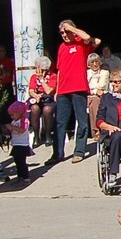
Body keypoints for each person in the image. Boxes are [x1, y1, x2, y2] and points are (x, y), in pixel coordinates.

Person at [51, 20, 100, 163]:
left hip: (78, 88)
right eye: (61, 33)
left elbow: (87, 37)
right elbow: (59, 70)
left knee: (82, 121)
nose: (64, 35)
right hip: (63, 90)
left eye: (66, 32)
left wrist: (71, 28)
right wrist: (57, 90)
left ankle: (79, 151)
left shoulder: (80, 43)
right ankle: (57, 153)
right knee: (60, 122)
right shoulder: (61, 47)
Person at [27, 54, 57, 147]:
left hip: (49, 99)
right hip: (37, 98)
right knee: (34, 109)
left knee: (47, 110)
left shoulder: (53, 76)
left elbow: (48, 91)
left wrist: (41, 79)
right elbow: (31, 90)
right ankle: (36, 136)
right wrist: (36, 96)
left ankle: (47, 135)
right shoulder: (33, 77)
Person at [85, 52, 108, 140]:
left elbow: (102, 85)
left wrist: (93, 89)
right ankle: (97, 130)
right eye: (92, 62)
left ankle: (102, 129)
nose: (95, 64)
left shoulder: (104, 72)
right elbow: (86, 87)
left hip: (103, 95)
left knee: (98, 100)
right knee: (95, 101)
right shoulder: (85, 73)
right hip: (89, 97)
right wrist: (94, 90)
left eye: (97, 61)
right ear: (88, 64)